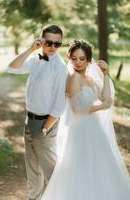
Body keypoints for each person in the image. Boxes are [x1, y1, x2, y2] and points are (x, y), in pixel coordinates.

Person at [41, 40, 130, 200]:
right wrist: (101, 107)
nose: (77, 62)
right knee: (80, 167)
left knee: (99, 166)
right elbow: (77, 110)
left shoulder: (89, 78)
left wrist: (105, 74)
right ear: (69, 58)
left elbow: (105, 96)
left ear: (89, 59)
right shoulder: (73, 77)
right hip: (79, 130)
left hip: (94, 129)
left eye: (82, 59)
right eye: (74, 58)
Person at [7, 24, 68, 200]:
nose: (53, 47)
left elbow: (58, 107)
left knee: (52, 173)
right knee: (33, 171)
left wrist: (43, 130)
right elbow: (12, 67)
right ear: (41, 41)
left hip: (46, 125)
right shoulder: (36, 59)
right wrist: (31, 49)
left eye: (57, 44)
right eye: (49, 43)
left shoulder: (60, 68)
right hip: (30, 121)